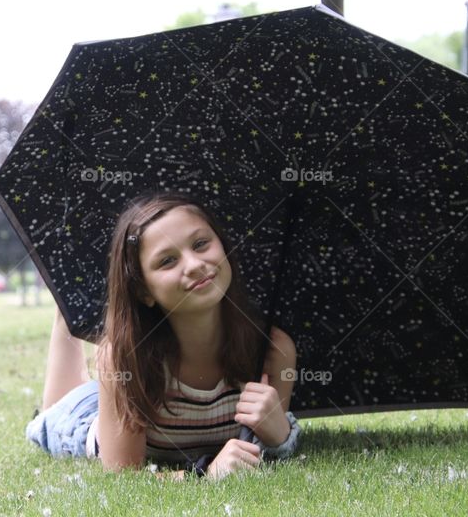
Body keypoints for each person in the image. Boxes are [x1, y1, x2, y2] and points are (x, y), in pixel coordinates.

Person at [25, 192, 301, 480]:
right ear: (144, 291)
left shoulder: (272, 351)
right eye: (168, 261)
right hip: (87, 421)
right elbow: (124, 474)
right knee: (52, 415)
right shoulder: (125, 358)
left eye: (201, 244)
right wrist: (204, 473)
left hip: (125, 398)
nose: (194, 265)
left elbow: (267, 447)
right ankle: (62, 314)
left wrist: (280, 435)